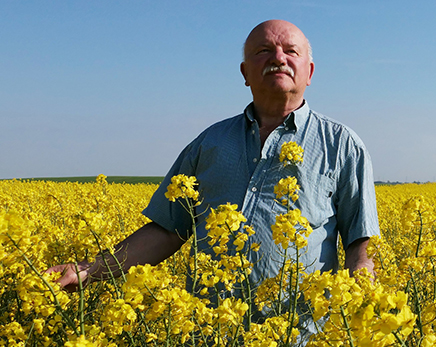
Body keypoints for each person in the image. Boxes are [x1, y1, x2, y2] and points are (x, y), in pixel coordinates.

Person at [47, 20, 379, 297]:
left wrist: (359, 310)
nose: (278, 58)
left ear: (309, 71)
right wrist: (92, 269)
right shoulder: (209, 143)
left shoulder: (342, 145)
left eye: (290, 51)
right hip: (210, 339)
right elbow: (167, 230)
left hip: (303, 339)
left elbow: (360, 242)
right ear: (244, 72)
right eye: (263, 51)